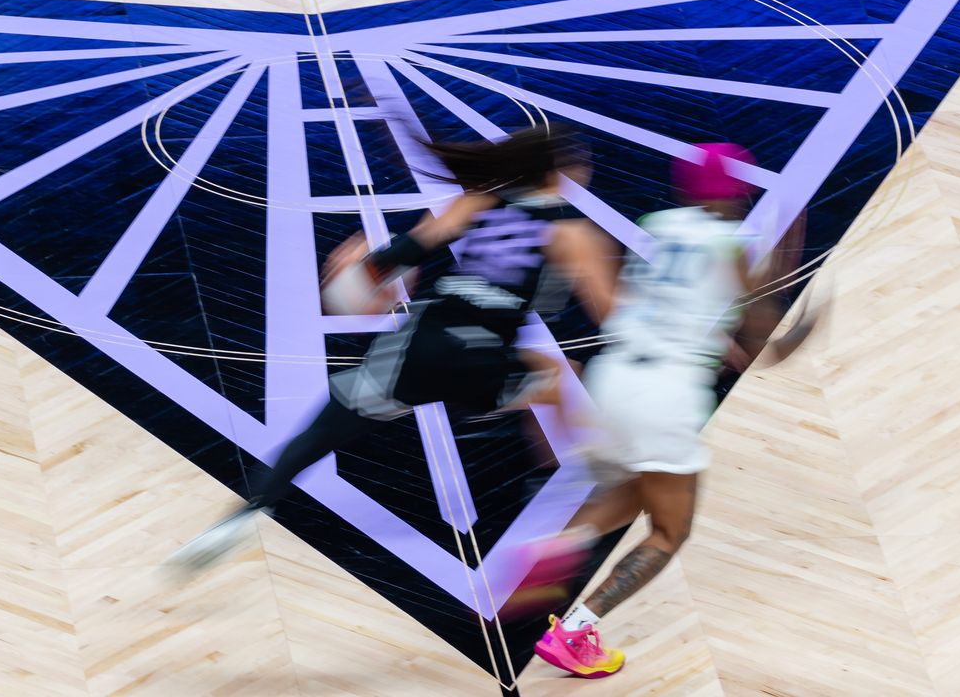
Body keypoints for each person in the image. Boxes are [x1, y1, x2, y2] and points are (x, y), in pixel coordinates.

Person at [166, 124, 620, 577]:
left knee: (319, 436)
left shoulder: (476, 202)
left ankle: (250, 509)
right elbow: (609, 314)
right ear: (562, 173)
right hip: (483, 361)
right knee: (561, 373)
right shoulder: (573, 234)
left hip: (420, 347)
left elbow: (391, 262)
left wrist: (354, 278)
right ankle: (568, 488)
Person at [527, 143, 811, 679]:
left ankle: (563, 543)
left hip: (615, 380)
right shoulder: (738, 243)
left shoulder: (656, 223)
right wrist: (804, 301)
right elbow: (766, 345)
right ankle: (573, 631)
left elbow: (662, 300)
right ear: (735, 189)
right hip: (667, 394)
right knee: (668, 531)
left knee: (638, 485)